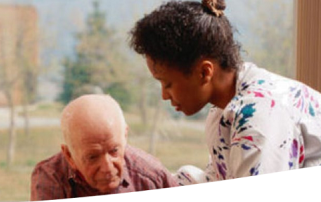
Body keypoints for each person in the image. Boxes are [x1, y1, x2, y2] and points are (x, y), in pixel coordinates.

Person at [128, 0, 321, 185]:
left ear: (204, 72)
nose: (164, 95)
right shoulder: (221, 111)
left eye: (167, 84)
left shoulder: (259, 115)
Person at [30, 94, 178, 200]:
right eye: (92, 157)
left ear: (125, 137)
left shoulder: (152, 176)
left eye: (114, 151)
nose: (107, 167)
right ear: (69, 156)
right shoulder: (50, 177)